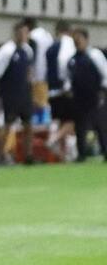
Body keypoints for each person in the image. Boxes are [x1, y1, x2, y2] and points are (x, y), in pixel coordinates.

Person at [0, 22, 35, 165]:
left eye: (26, 33)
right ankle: (2, 155)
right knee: (8, 123)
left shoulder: (28, 50)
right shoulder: (6, 51)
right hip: (10, 93)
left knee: (28, 124)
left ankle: (28, 155)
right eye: (21, 33)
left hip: (24, 92)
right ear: (15, 33)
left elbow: (29, 70)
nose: (24, 36)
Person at [67, 28, 107, 162]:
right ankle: (81, 153)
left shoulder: (94, 55)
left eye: (79, 40)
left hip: (95, 96)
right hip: (79, 97)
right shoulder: (72, 59)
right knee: (80, 127)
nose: (77, 43)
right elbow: (68, 78)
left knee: (100, 125)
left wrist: (102, 90)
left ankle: (105, 150)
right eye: (75, 40)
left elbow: (104, 73)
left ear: (86, 39)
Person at [45, 20, 77, 159]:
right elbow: (65, 62)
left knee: (58, 119)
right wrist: (67, 84)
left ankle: (65, 153)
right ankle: (54, 139)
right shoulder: (67, 42)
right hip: (63, 88)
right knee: (71, 120)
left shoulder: (50, 47)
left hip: (51, 89)